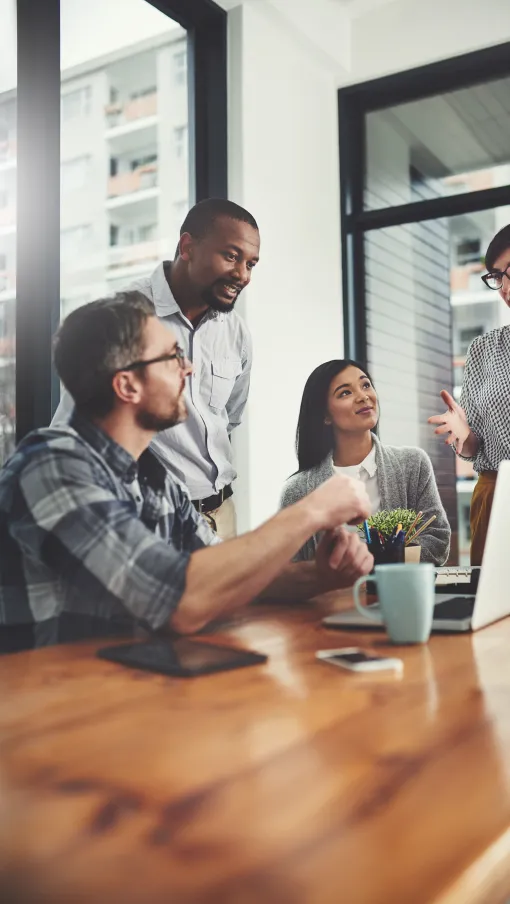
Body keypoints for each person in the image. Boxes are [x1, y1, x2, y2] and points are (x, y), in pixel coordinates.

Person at [0, 293, 374, 633]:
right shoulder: (53, 466)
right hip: (57, 700)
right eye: (173, 357)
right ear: (127, 386)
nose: (189, 369)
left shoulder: (153, 476)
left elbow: (221, 574)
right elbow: (180, 599)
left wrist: (321, 576)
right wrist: (311, 510)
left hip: (130, 686)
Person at [53, 198, 261, 540]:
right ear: (187, 247)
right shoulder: (125, 317)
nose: (242, 275)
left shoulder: (235, 332)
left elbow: (228, 418)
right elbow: (75, 427)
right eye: (231, 256)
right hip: (146, 517)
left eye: (251, 263)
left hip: (222, 514)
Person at [280, 359, 450, 564]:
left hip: (399, 593)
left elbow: (438, 539)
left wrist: (384, 562)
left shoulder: (413, 464)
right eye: (345, 392)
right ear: (325, 415)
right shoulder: (297, 490)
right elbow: (291, 568)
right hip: (332, 596)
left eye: (366, 385)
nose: (363, 396)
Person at [429, 224, 510, 566]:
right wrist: (463, 436)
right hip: (496, 496)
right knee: (491, 611)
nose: (504, 288)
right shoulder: (484, 348)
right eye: (497, 277)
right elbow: (476, 444)